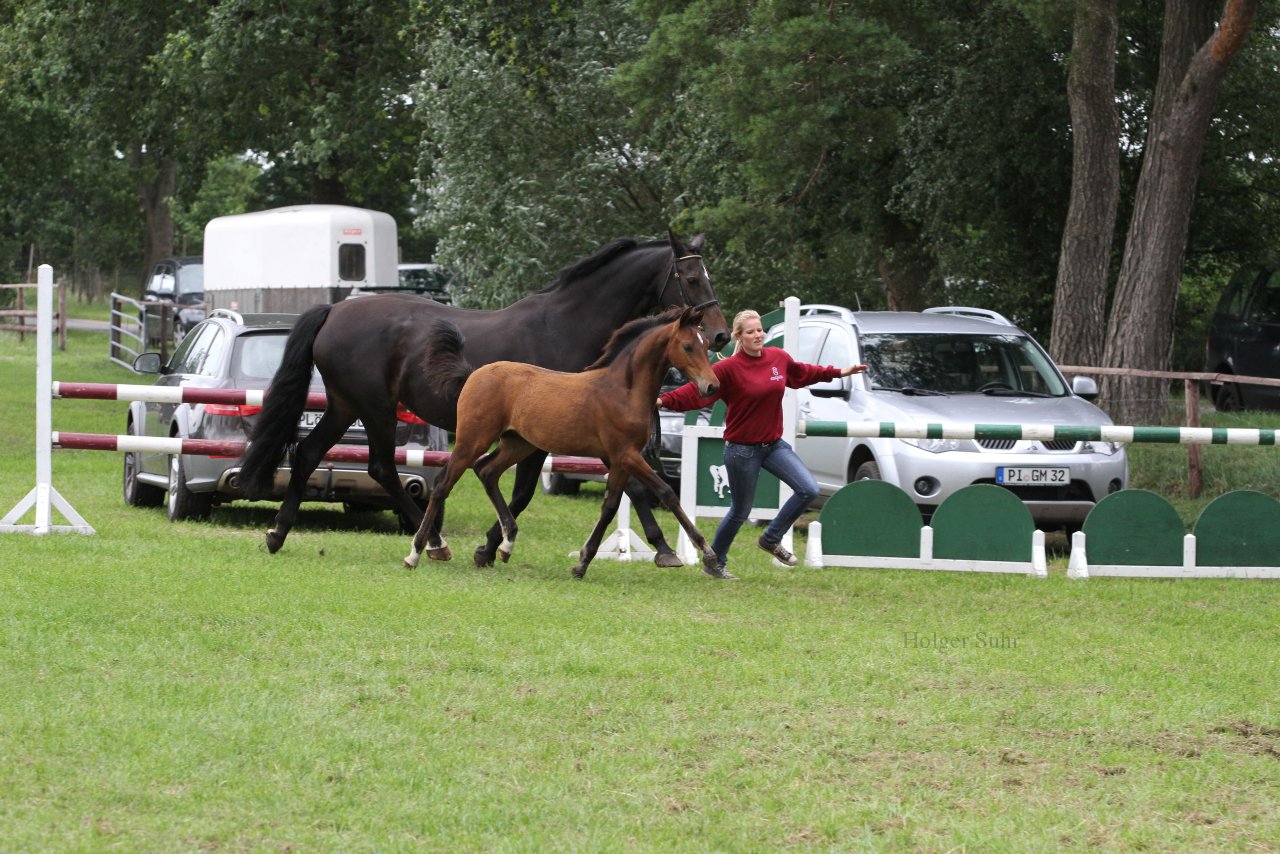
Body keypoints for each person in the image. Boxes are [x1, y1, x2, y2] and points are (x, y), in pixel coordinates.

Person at [657, 309, 867, 580]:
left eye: (759, 330)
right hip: (741, 450)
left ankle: (770, 538)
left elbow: (803, 373)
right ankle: (715, 562)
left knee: (808, 489)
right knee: (740, 511)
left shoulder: (777, 358)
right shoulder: (727, 369)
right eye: (750, 332)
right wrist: (663, 401)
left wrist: (839, 372)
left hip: (773, 446)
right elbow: (693, 394)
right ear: (738, 337)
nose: (758, 335)